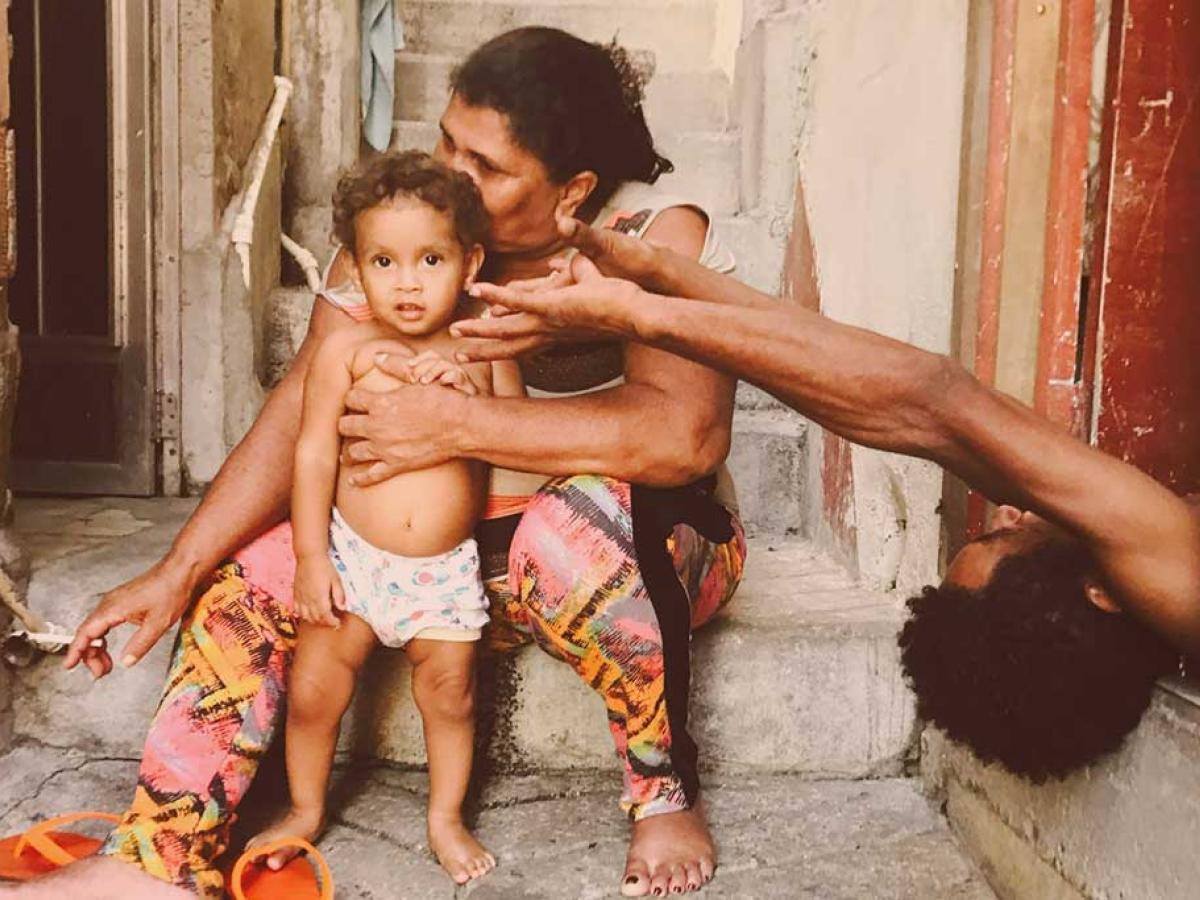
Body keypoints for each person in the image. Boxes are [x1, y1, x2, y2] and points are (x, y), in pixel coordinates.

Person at [39, 27, 744, 900]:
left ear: (576, 191)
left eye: (486, 164)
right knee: (244, 582)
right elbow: (301, 413)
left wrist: (455, 423)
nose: (452, 171)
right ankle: (159, 858)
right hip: (438, 561)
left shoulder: (650, 232)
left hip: (638, 557)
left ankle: (662, 789)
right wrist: (178, 569)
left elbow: (684, 438)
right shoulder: (404, 239)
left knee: (576, 531)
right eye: (448, 140)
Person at [449, 214, 1200, 781]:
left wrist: (645, 299)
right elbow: (916, 407)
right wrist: (651, 285)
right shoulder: (1171, 577)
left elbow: (921, 405)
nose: (1006, 511)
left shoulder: (1167, 572)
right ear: (1099, 594)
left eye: (998, 534)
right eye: (1003, 537)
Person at [244, 150, 520, 884]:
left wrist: (464, 392)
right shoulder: (346, 349)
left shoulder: (481, 344)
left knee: (451, 694)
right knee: (314, 688)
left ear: (470, 263)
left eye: (430, 259)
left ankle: (445, 816)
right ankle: (306, 806)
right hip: (354, 559)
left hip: (443, 571)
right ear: (355, 270)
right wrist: (311, 558)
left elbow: (520, 441)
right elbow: (311, 457)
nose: (407, 282)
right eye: (383, 261)